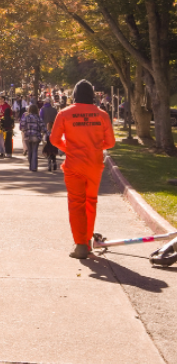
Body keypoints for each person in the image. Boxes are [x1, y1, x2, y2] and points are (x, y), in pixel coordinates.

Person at [50, 80, 116, 259]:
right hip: (94, 165)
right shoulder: (102, 115)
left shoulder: (64, 114)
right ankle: (87, 241)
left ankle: (80, 245)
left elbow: (54, 140)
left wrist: (70, 148)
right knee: (91, 202)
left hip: (74, 165)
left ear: (75, 95)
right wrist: (93, 147)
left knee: (76, 203)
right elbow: (110, 143)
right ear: (92, 95)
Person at [20, 104, 45, 172]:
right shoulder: (38, 117)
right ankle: (34, 166)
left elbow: (21, 125)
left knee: (30, 151)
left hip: (27, 135)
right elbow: (42, 126)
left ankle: (31, 165)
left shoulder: (26, 117)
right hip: (36, 135)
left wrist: (24, 129)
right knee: (34, 151)